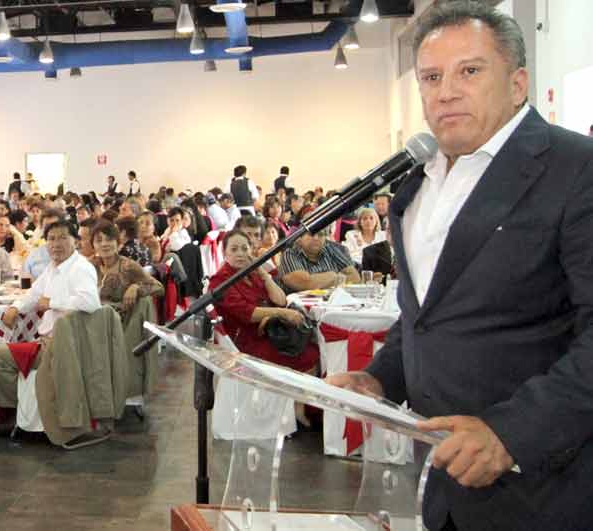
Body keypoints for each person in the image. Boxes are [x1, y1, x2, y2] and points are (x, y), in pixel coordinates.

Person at [328, 3, 593, 530]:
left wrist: (512, 432)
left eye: (469, 71)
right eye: (431, 77)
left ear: (517, 84)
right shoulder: (416, 188)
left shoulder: (575, 171)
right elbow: (425, 317)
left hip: (548, 487)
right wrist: (379, 378)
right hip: (444, 484)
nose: (446, 92)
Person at [0, 220, 101, 425]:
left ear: (76, 242)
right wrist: (16, 307)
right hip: (51, 341)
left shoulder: (80, 268)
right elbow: (34, 294)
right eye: (51, 239)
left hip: (65, 347)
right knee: (7, 348)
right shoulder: (54, 267)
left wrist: (52, 302)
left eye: (63, 238)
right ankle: (27, 410)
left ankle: (18, 413)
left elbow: (91, 302)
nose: (56, 244)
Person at [209, 230, 318, 426]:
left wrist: (263, 274)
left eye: (244, 248)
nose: (240, 254)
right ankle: (289, 410)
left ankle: (297, 406)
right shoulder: (220, 280)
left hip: (267, 333)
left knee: (311, 350)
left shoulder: (252, 273)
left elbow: (281, 299)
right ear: (225, 253)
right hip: (244, 342)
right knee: (306, 355)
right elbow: (248, 313)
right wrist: (282, 314)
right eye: (234, 249)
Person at [90, 220, 163, 311]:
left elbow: (159, 287)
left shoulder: (128, 266)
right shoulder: (90, 266)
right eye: (99, 240)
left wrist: (136, 287)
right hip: (94, 314)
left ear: (118, 243)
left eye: (109, 239)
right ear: (93, 245)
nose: (104, 244)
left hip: (120, 317)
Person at [279, 226, 360, 291]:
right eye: (311, 234)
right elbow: (304, 283)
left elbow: (355, 277)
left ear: (325, 238)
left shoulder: (331, 249)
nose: (316, 238)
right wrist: (333, 276)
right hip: (302, 305)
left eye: (320, 234)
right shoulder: (290, 254)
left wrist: (319, 281)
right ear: (300, 237)